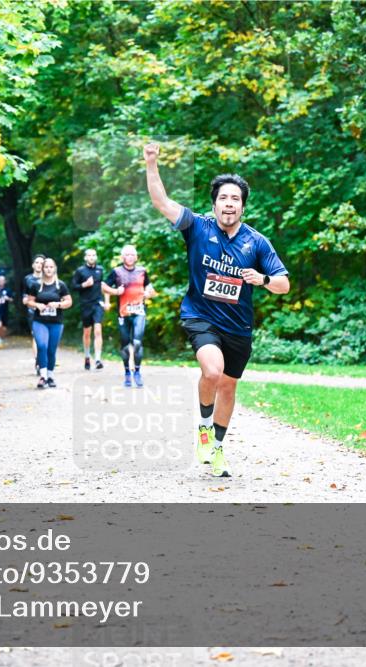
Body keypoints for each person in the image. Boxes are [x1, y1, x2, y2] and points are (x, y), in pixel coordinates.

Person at [144, 141, 290, 477]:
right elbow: (161, 202)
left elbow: (284, 283)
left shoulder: (257, 242)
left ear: (242, 207)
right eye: (223, 198)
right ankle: (203, 429)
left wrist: (262, 279)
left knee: (228, 385)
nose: (229, 203)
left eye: (235, 199)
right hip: (200, 315)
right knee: (212, 371)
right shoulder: (198, 226)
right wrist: (152, 164)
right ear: (214, 204)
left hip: (238, 327)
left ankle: (217, 447)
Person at [102, 245, 156, 388]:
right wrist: (115, 291)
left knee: (137, 343)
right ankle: (127, 372)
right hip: (123, 313)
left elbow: (150, 288)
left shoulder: (142, 271)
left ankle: (137, 372)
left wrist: (149, 292)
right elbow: (103, 286)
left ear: (136, 257)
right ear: (122, 257)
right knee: (126, 345)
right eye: (127, 254)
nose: (130, 257)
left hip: (139, 312)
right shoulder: (116, 272)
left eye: (133, 254)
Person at [25, 257, 73, 389]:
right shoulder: (35, 285)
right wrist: (37, 305)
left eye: (51, 267)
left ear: (55, 268)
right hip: (40, 321)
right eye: (46, 267)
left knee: (51, 350)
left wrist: (58, 304)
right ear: (42, 268)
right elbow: (29, 301)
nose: (48, 269)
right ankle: (43, 376)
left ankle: (50, 376)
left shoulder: (60, 285)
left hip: (56, 322)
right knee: (42, 346)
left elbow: (69, 302)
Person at [71, 248, 108, 371]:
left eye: (94, 255)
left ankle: (97, 359)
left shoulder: (100, 270)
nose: (91, 257)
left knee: (98, 330)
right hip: (85, 304)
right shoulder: (80, 271)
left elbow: (104, 286)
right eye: (89, 255)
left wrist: (106, 301)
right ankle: (87, 356)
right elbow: (73, 286)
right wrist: (84, 285)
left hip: (98, 303)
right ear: (85, 258)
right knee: (87, 332)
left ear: (96, 257)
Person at [22, 255, 45, 373]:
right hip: (32, 311)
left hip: (47, 312)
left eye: (41, 263)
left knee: (46, 338)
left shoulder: (49, 278)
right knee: (36, 337)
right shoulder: (28, 279)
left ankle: (43, 360)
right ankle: (38, 361)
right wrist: (25, 300)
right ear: (33, 265)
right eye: (37, 262)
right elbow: (24, 295)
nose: (39, 265)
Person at [0, 275, 12, 341]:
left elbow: (11, 299)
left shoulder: (8, 290)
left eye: (2, 280)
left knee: (4, 326)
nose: (1, 281)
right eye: (0, 280)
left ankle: (2, 338)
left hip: (5, 310)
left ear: (5, 281)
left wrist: (8, 298)